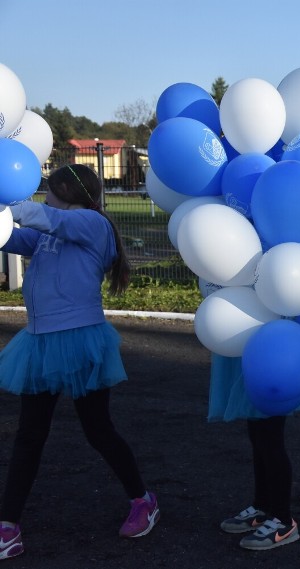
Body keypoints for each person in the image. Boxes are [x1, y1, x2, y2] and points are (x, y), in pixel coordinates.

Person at [0, 164, 159, 561]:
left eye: (50, 190)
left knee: (98, 430)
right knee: (29, 436)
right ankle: (8, 526)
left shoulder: (90, 223)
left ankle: (143, 500)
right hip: (40, 342)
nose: (45, 197)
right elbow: (14, 238)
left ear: (68, 192)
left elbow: (42, 216)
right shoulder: (55, 229)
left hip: (81, 340)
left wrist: (8, 203)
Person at [209, 353, 300, 551]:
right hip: (249, 342)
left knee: (270, 435)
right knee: (257, 431)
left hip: (275, 351)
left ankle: (283, 520)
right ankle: (262, 506)